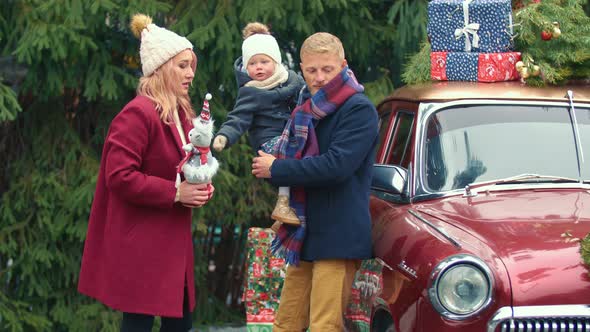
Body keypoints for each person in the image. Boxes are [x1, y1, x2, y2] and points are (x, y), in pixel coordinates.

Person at [78, 14, 214, 332]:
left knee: (180, 323)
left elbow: (187, 164)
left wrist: (201, 186)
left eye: (192, 65)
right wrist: (175, 192)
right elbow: (119, 176)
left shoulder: (181, 113)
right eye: (182, 65)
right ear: (161, 67)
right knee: (138, 323)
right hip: (143, 244)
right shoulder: (137, 114)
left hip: (171, 243)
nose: (191, 73)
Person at [251, 32, 379, 331]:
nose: (319, 78)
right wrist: (271, 167)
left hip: (338, 236)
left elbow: (336, 167)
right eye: (311, 70)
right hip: (305, 233)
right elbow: (289, 164)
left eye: (327, 69)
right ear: (302, 68)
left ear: (343, 65)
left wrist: (278, 169)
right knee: (286, 324)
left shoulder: (358, 109)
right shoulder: (304, 108)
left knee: (325, 327)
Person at [212, 22, 305, 227]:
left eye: (264, 61)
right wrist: (225, 135)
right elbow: (238, 117)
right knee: (284, 158)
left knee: (305, 155)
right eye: (253, 63)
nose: (259, 67)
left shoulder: (293, 81)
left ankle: (293, 209)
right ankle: (282, 203)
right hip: (268, 139)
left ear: (276, 62)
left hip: (291, 133)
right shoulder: (250, 91)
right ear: (246, 67)